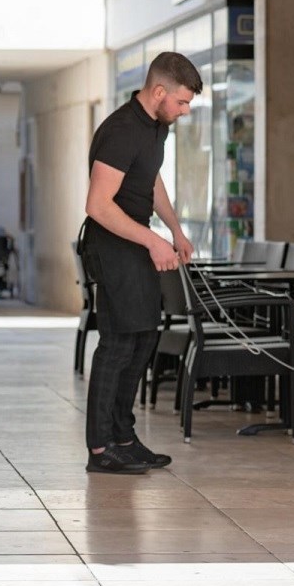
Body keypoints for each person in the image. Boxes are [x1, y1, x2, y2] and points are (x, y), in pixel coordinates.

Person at [82, 52, 201, 474]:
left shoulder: (156, 127)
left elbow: (150, 180)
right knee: (117, 343)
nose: (184, 112)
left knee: (144, 337)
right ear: (158, 92)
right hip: (112, 243)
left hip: (135, 240)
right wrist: (153, 241)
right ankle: (100, 449)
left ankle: (124, 437)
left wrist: (176, 230)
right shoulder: (121, 130)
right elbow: (98, 205)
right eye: (182, 103)